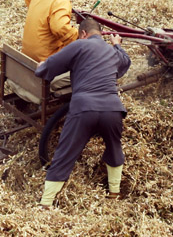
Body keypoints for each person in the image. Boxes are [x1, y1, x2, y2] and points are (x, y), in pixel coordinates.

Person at [35, 18, 131, 207]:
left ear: (83, 34)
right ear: (101, 34)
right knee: (114, 147)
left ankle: (46, 202)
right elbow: (125, 63)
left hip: (84, 108)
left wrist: (41, 68)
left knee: (66, 152)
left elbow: (52, 65)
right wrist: (117, 45)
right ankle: (114, 193)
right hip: (112, 109)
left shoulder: (79, 45)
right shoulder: (113, 51)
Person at [12, 0, 79, 104]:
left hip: (27, 55)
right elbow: (59, 28)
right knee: (80, 61)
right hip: (44, 59)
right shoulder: (62, 1)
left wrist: (38, 9)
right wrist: (78, 37)